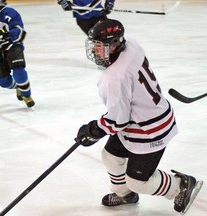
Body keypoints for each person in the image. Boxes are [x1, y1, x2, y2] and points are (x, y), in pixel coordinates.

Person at [75, 19, 203, 213]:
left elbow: (118, 120)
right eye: (95, 45)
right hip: (141, 118)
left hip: (150, 129)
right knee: (110, 156)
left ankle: (181, 185)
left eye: (100, 47)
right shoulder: (131, 44)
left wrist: (94, 130)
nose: (94, 51)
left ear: (115, 44)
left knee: (138, 182)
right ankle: (124, 194)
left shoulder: (114, 78)